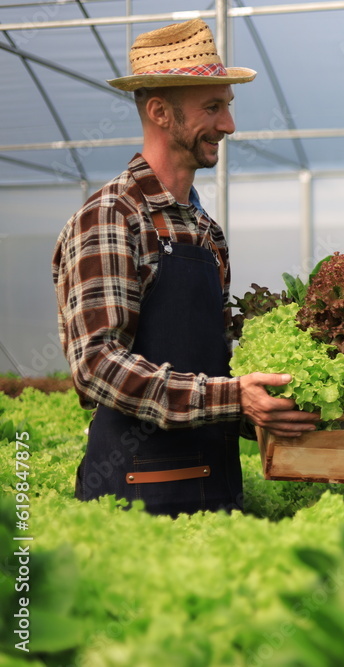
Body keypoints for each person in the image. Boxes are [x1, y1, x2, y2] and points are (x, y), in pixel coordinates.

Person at [52, 19, 318, 516]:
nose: (229, 125)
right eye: (212, 108)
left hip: (218, 484)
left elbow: (209, 366)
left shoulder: (204, 229)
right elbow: (97, 367)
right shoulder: (112, 216)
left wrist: (278, 403)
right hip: (137, 493)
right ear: (159, 112)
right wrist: (236, 398)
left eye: (228, 107)